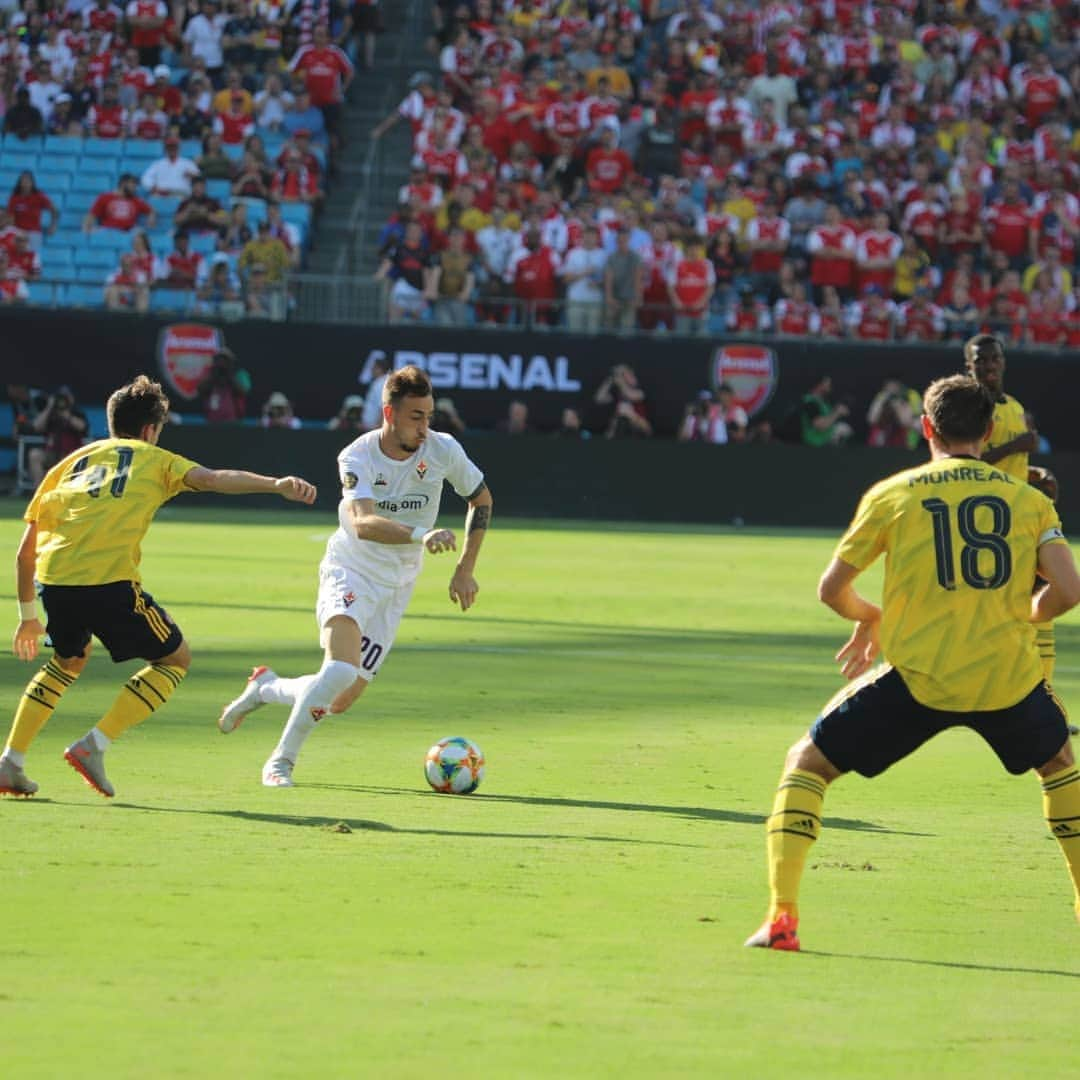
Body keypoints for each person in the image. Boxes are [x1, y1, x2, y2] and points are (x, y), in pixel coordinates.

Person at [745, 374, 1080, 951]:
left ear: (927, 428)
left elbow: (832, 590)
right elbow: (1068, 590)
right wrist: (1024, 616)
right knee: (1059, 766)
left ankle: (782, 919)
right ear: (988, 431)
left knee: (806, 764)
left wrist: (871, 615)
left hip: (918, 680)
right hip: (1007, 678)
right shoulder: (1029, 501)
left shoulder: (895, 493)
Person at [1, 375, 317, 799]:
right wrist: (274, 484)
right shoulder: (155, 458)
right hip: (108, 584)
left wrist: (27, 619)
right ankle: (93, 745)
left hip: (53, 582)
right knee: (174, 660)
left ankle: (10, 762)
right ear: (151, 429)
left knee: (67, 661)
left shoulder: (72, 462)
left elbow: (24, 552)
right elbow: (214, 478)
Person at [216, 365, 493, 788]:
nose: (425, 428)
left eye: (429, 416)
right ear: (389, 413)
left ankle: (266, 689)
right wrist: (423, 534)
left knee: (339, 698)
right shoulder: (356, 455)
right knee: (340, 671)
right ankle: (280, 763)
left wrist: (465, 568)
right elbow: (363, 522)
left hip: (397, 583)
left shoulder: (442, 449)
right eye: (416, 417)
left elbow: (482, 499)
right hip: (352, 569)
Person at [964, 334, 1037, 482]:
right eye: (981, 361)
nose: (990, 366)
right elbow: (966, 464)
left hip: (1016, 500)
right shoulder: (969, 405)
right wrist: (1015, 445)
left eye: (995, 358)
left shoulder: (1016, 406)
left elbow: (1012, 464)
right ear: (969, 367)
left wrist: (1035, 474)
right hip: (986, 501)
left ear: (1003, 362)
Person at [28, 386, 89, 487]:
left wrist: (66, 415)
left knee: (72, 459)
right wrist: (49, 406)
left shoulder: (76, 412)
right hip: (52, 452)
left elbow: (82, 427)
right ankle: (38, 492)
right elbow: (37, 426)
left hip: (71, 454)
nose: (62, 401)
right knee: (34, 455)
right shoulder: (50, 413)